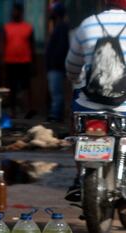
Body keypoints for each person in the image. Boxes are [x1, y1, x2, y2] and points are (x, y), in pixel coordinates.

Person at [64, 0, 126, 202]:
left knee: (77, 128)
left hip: (89, 104)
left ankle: (79, 177)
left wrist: (75, 79)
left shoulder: (88, 24)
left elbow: (72, 66)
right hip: (123, 107)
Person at [1, 3, 36, 119]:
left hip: (25, 62)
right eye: (13, 11)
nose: (14, 13)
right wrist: (2, 61)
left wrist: (33, 63)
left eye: (17, 11)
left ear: (21, 13)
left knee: (27, 87)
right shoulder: (6, 27)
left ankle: (29, 109)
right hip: (10, 62)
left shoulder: (28, 27)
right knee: (12, 87)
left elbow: (32, 46)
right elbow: (2, 44)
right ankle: (13, 111)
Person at [45, 1, 69, 122]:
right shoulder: (57, 26)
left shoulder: (61, 27)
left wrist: (55, 63)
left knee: (56, 93)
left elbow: (61, 48)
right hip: (55, 66)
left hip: (56, 66)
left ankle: (56, 115)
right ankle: (56, 114)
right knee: (55, 92)